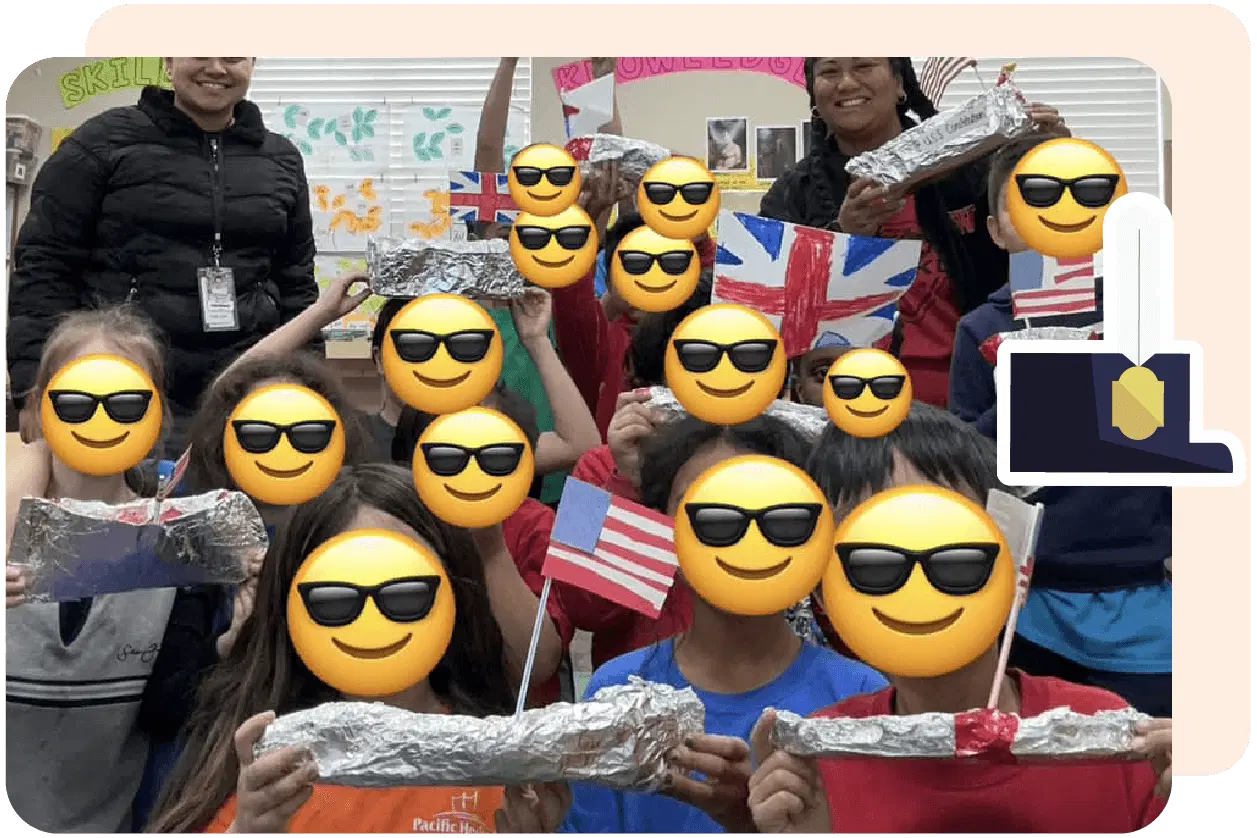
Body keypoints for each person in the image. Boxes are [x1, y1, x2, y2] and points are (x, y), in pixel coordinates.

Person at [746, 403, 1171, 834]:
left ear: (1014, 560)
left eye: (950, 537)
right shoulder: (811, 767)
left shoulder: (1114, 737)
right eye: (873, 554)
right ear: (823, 584)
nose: (918, 573)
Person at [144, 464, 569, 834]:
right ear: (292, 604)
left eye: (406, 592)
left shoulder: (506, 768)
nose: (372, 617)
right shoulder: (253, 762)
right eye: (334, 599)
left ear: (453, 592)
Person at [559, 415, 888, 834]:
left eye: (776, 516)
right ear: (667, 528)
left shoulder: (863, 698)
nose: (744, 536)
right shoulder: (615, 689)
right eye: (712, 517)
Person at [949, 135, 1171, 717]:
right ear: (996, 229)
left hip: (1145, 591)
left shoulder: (1147, 317)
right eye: (1031, 200)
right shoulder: (979, 329)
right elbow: (965, 463)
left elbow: (1174, 442)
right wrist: (1029, 380)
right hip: (1030, 596)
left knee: (1144, 766)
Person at [7, 58, 320, 456]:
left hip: (249, 393)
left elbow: (296, 283)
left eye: (233, 56)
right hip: (123, 392)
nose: (216, 67)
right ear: (169, 62)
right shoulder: (100, 142)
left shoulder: (281, 160)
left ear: (253, 63)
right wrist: (33, 388)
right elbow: (44, 266)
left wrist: (310, 382)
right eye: (200, 51)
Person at [3, 307, 230, 834]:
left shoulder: (174, 545)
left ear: (155, 419)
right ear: (39, 409)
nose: (100, 417)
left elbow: (169, 712)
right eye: (76, 401)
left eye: (127, 401)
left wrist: (230, 642)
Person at [759, 57, 1066, 409]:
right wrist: (844, 236)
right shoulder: (792, 196)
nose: (845, 83)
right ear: (814, 94)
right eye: (829, 72)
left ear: (900, 83)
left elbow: (1039, 264)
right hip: (850, 408)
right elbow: (771, 318)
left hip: (969, 402)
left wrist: (1048, 165)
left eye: (863, 66)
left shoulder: (972, 169)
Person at [391, 383, 573, 706]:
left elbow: (539, 665)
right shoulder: (388, 527)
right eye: (448, 454)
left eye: (494, 454)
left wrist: (490, 546)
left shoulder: (535, 524)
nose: (470, 469)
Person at [552, 167, 718, 440]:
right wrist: (580, 224)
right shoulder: (602, 345)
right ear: (612, 277)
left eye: (670, 264)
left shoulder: (702, 333)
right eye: (636, 265)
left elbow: (712, 283)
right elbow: (573, 301)